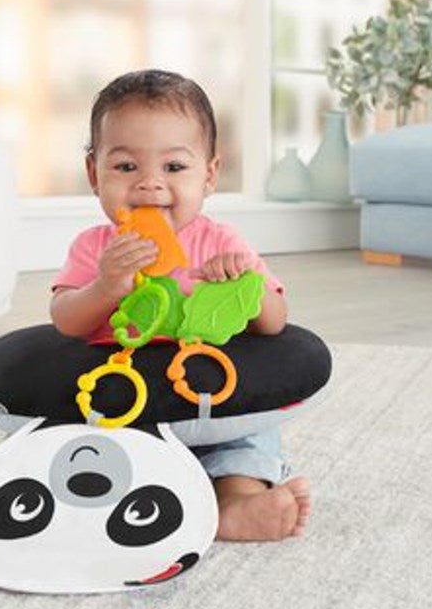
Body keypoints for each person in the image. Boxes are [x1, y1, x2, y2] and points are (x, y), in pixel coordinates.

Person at [50, 68, 310, 542]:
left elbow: (276, 323)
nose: (150, 185)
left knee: (247, 439)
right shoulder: (95, 247)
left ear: (209, 175)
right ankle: (132, 493)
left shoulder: (220, 242)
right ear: (94, 173)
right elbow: (65, 322)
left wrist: (243, 288)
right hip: (126, 400)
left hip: (206, 394)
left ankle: (234, 501)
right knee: (71, 436)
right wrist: (107, 286)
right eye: (126, 167)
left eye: (174, 167)